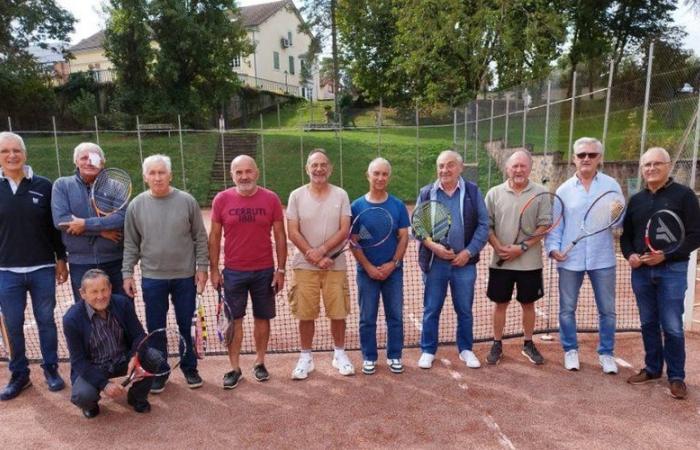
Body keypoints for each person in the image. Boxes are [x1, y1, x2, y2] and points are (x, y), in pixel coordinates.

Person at [122, 154, 209, 393]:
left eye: (162, 173)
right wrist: (127, 273)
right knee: (156, 328)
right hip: (152, 279)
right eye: (153, 173)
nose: (158, 177)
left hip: (185, 277)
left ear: (170, 175)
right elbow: (130, 243)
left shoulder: (187, 201)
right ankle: (160, 370)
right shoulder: (136, 205)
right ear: (145, 177)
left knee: (186, 326)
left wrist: (202, 268)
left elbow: (200, 238)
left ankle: (190, 368)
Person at [621, 147, 700, 399]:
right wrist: (631, 255)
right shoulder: (636, 200)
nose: (651, 168)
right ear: (642, 169)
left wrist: (665, 255)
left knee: (673, 326)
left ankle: (676, 376)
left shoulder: (685, 196)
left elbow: (696, 235)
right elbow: (627, 237)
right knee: (648, 323)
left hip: (672, 270)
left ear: (668, 167)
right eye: (647, 165)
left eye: (657, 164)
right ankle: (653, 369)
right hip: (642, 271)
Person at [0, 132, 68, 401]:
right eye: (5, 151)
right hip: (6, 271)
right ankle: (19, 374)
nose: (12, 155)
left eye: (16, 150)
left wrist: (60, 258)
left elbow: (54, 229)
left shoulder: (44, 185)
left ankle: (51, 368)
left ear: (25, 154)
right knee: (13, 324)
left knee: (46, 321)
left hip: (42, 268)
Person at [209, 155, 287, 389]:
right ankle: (234, 368)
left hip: (264, 271)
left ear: (257, 172)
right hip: (233, 272)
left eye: (248, 171)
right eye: (238, 172)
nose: (244, 176)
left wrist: (281, 269)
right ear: (232, 175)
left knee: (263, 319)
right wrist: (214, 269)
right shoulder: (221, 200)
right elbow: (213, 236)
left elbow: (280, 236)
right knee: (234, 321)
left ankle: (260, 362)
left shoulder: (271, 198)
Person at [545, 137, 622, 374]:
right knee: (567, 308)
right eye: (581, 155)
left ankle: (606, 353)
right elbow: (556, 225)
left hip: (603, 259)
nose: (586, 159)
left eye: (591, 154)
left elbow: (618, 222)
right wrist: (553, 248)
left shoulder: (612, 186)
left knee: (607, 310)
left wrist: (616, 215)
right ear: (574, 159)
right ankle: (570, 350)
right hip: (570, 260)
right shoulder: (563, 190)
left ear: (599, 158)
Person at [416, 150, 489, 369]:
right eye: (441, 166)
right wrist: (434, 247)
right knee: (431, 308)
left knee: (464, 309)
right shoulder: (427, 192)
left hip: (464, 263)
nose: (444, 170)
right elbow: (418, 227)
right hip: (435, 262)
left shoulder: (473, 192)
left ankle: (466, 349)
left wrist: (468, 252)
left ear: (460, 168)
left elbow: (484, 225)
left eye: (449, 165)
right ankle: (428, 350)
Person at [286, 149, 353, 379]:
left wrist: (323, 251)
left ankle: (340, 354)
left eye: (323, 165)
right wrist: (311, 255)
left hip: (335, 265)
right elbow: (292, 231)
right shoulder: (296, 195)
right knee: (306, 314)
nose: (319, 169)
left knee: (338, 313)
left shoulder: (341, 195)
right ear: (307, 169)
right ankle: (306, 357)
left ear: (330, 168)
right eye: (314, 165)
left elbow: (345, 229)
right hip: (304, 265)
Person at [63, 269, 155, 418]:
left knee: (153, 357)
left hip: (123, 359)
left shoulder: (122, 303)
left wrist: (135, 356)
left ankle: (136, 397)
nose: (100, 296)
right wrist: (104, 384)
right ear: (83, 293)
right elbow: (78, 362)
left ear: (110, 288)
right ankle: (90, 404)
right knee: (82, 395)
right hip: (94, 366)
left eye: (104, 290)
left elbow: (139, 335)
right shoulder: (71, 319)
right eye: (94, 292)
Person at [484, 150, 548, 365]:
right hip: (500, 263)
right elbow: (487, 225)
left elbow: (544, 226)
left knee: (528, 304)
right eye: (514, 166)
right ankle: (497, 343)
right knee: (500, 304)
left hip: (530, 263)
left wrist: (521, 248)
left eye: (523, 166)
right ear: (507, 168)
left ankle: (528, 343)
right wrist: (499, 247)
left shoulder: (541, 193)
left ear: (530, 168)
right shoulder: (493, 193)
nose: (519, 170)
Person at [350, 158, 409, 375]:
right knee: (367, 317)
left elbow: (403, 237)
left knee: (395, 316)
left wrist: (393, 264)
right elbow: (355, 240)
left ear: (388, 177)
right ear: (368, 175)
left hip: (393, 272)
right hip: (366, 273)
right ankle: (369, 357)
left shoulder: (397, 205)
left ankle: (395, 355)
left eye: (384, 174)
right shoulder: (357, 206)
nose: (380, 178)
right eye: (376, 173)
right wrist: (368, 267)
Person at [52, 142, 126, 301]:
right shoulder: (62, 185)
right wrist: (100, 231)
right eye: (83, 158)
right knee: (86, 313)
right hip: (80, 263)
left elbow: (121, 218)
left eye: (94, 157)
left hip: (115, 261)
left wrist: (85, 225)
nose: (89, 162)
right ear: (76, 162)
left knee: (122, 309)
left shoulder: (116, 186)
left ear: (103, 161)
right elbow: (61, 221)